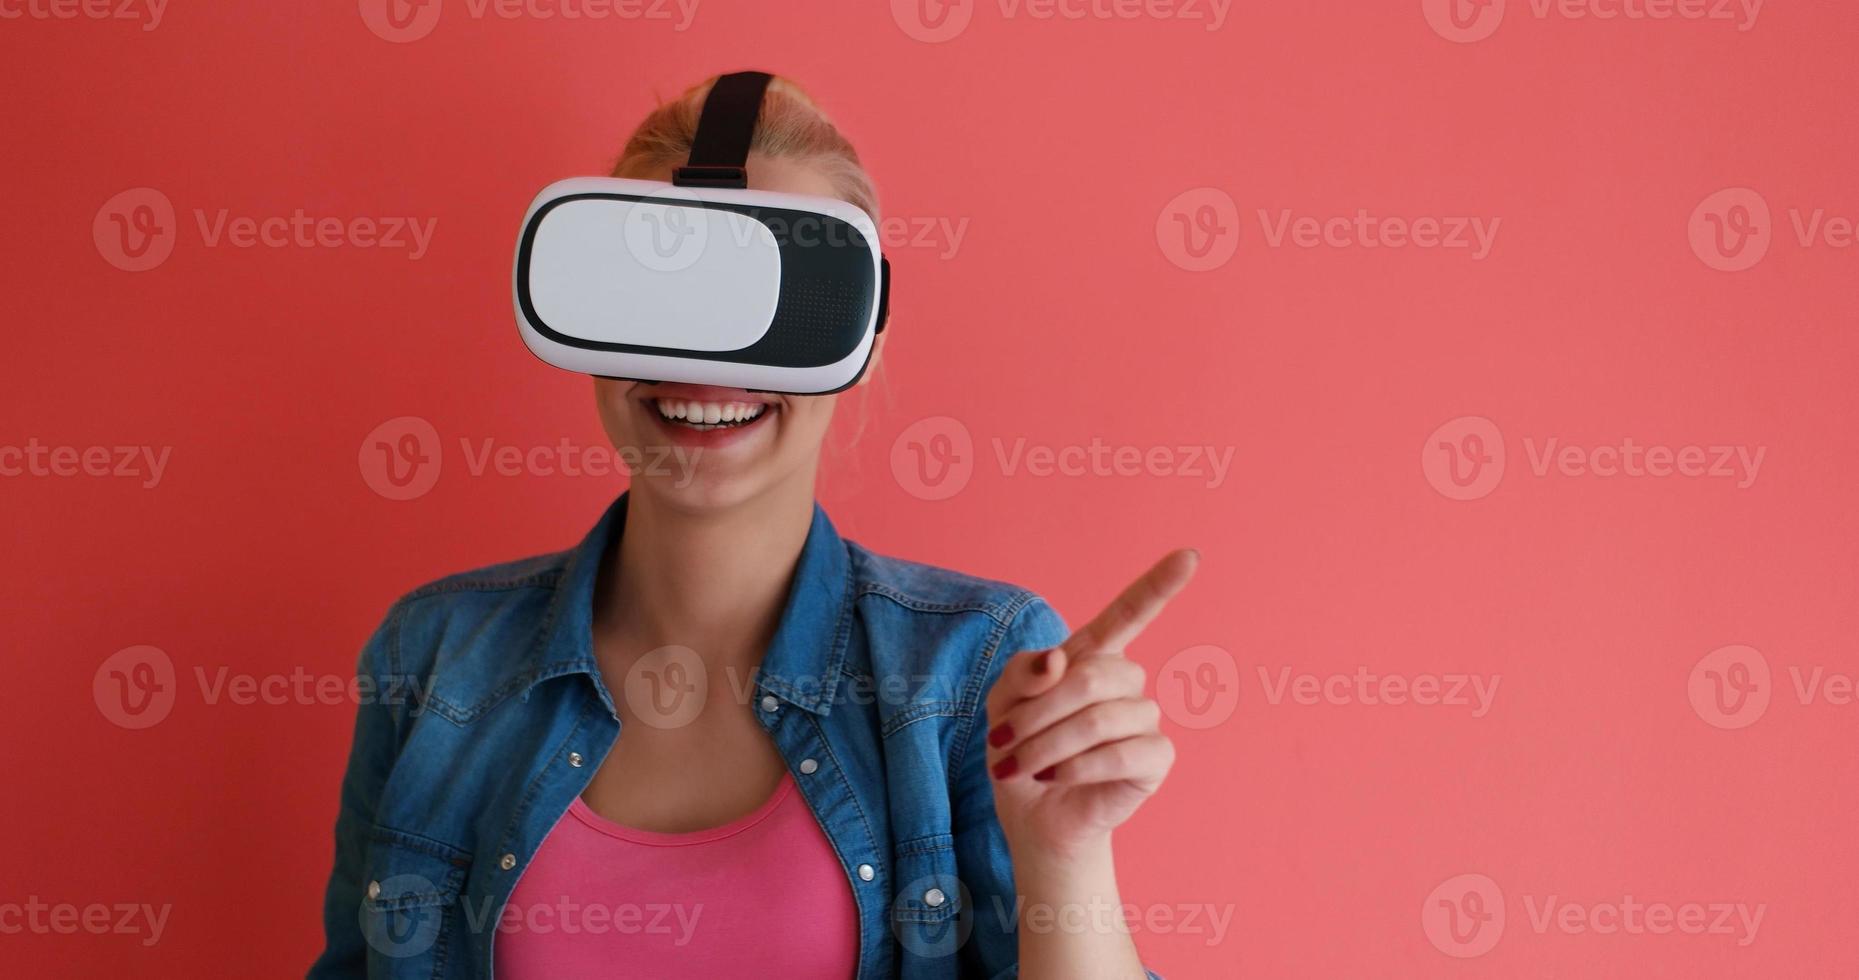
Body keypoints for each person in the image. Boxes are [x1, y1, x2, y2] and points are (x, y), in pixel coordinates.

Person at [310, 73, 1197, 980]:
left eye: (780, 306)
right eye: (656, 294)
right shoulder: (432, 657)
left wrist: (1065, 858)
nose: (705, 367)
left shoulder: (977, 671)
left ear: (865, 337)